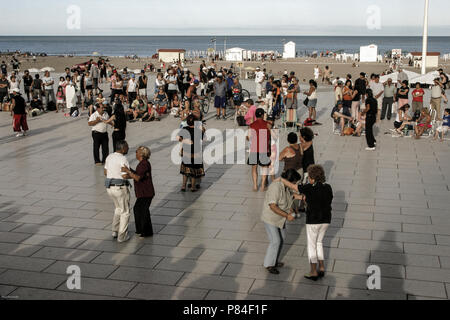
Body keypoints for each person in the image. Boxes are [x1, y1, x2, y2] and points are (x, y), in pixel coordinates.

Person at [279, 165, 333, 281]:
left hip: (313, 220)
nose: (308, 179)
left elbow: (294, 186)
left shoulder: (308, 187)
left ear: (312, 178)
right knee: (319, 243)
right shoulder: (328, 187)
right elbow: (317, 199)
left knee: (312, 245)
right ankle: (322, 267)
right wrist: (298, 197)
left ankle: (313, 271)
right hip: (326, 220)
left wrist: (281, 179)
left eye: (309, 177)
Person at [261, 169, 299, 275]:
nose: (295, 185)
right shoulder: (276, 187)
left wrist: (300, 198)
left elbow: (290, 197)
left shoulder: (285, 186)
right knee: (275, 241)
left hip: (279, 219)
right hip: (270, 218)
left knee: (281, 239)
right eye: (295, 182)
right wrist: (287, 215)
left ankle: (274, 261)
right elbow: (272, 206)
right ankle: (269, 264)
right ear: (290, 181)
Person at [121, 146, 155, 238]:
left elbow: (138, 177)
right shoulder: (143, 163)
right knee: (139, 209)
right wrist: (129, 171)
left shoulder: (143, 164)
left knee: (142, 211)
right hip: (144, 192)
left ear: (141, 154)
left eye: (136, 151)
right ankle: (141, 229)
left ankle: (146, 231)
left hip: (146, 193)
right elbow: (138, 174)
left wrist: (127, 171)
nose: (135, 153)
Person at [104, 140, 132, 243]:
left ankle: (114, 230)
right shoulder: (123, 158)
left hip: (109, 188)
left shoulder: (109, 156)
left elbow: (105, 172)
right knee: (125, 212)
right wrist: (134, 176)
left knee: (118, 208)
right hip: (120, 188)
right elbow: (124, 175)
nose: (128, 148)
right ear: (123, 148)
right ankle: (122, 236)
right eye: (127, 147)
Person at [178, 115, 205, 192]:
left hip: (186, 152)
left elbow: (180, 138)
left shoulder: (185, 129)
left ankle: (183, 186)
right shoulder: (198, 130)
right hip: (195, 152)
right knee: (194, 170)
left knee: (185, 170)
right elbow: (203, 138)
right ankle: (193, 187)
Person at [247, 108, 272, 191]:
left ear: (255, 115)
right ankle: (262, 186)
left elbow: (248, 137)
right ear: (262, 115)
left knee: (254, 168)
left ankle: (254, 186)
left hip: (254, 148)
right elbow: (273, 136)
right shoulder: (268, 124)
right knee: (264, 167)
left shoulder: (252, 125)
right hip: (264, 148)